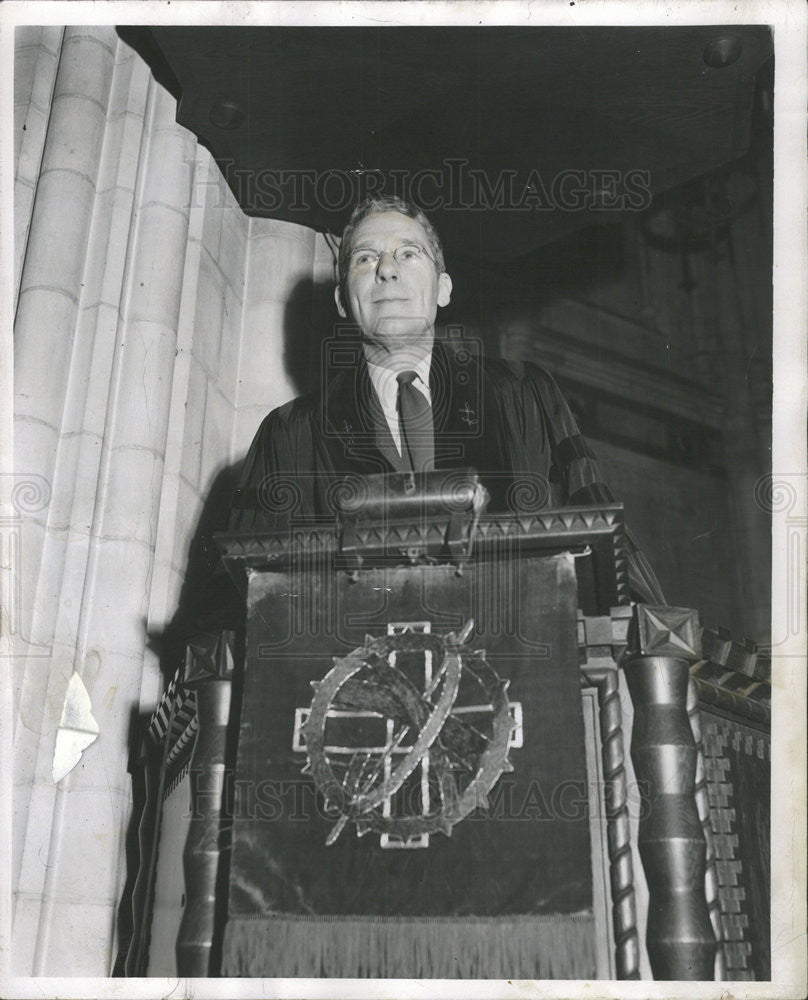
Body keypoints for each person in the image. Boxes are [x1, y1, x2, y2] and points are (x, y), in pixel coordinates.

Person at [225, 194, 663, 604]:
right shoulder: (291, 431)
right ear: (343, 300)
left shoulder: (523, 393)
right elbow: (244, 595)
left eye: (409, 254)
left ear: (443, 288)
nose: (387, 270)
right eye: (365, 258)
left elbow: (604, 543)